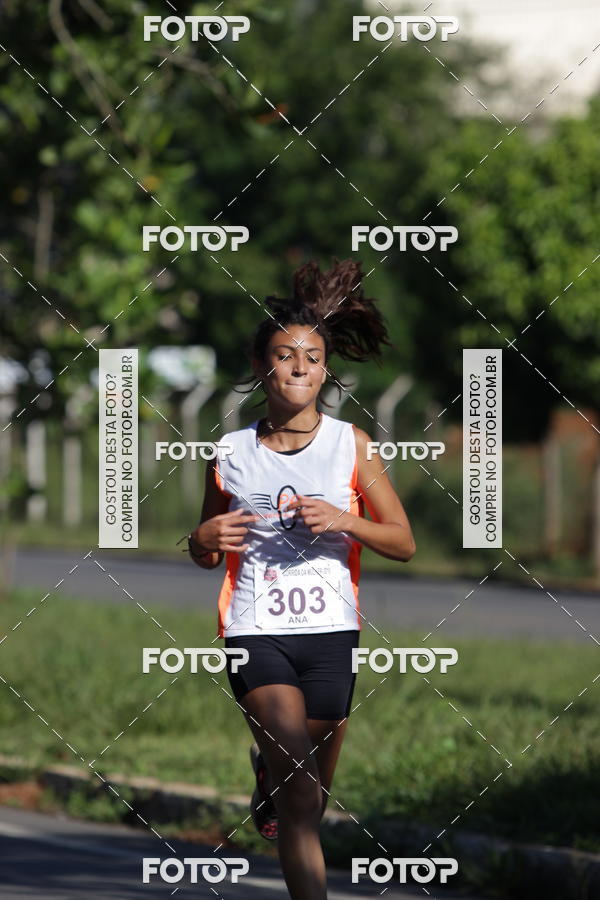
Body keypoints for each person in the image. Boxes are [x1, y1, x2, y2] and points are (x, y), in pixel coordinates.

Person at [187, 258, 416, 900]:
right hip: (256, 630)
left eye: (312, 358)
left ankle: (267, 775)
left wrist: (346, 518)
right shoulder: (230, 454)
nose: (299, 368)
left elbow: (403, 541)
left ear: (325, 369)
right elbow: (207, 548)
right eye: (285, 356)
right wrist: (201, 541)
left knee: (307, 796)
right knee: (302, 793)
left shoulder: (353, 446)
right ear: (262, 367)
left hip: (332, 634)